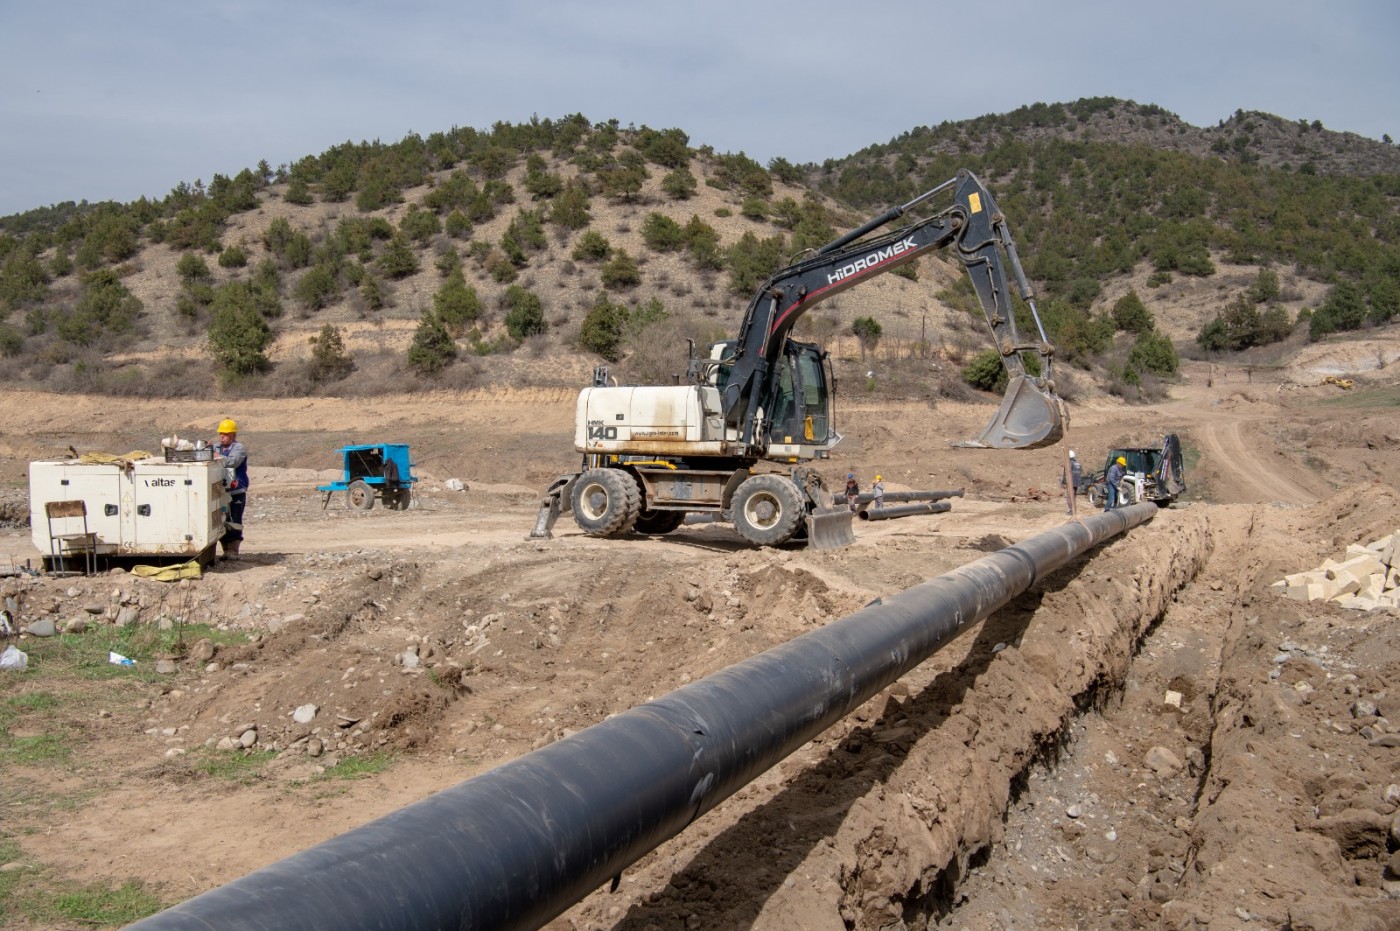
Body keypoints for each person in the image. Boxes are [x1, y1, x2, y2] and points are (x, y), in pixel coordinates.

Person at [212, 418, 249, 560]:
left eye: (225, 434)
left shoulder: (238, 448)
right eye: (221, 433)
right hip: (220, 491)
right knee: (221, 520)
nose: (222, 436)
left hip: (236, 490)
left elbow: (232, 462)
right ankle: (225, 549)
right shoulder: (216, 447)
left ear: (233, 435)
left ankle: (233, 550)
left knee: (234, 518)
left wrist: (217, 457)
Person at [1062, 450, 1083, 515]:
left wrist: (1064, 482)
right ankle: (1074, 510)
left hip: (1071, 482)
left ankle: (1071, 511)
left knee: (1069, 497)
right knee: (1074, 496)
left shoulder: (1068, 463)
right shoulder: (1078, 463)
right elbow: (1080, 472)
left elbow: (1066, 474)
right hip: (1077, 483)